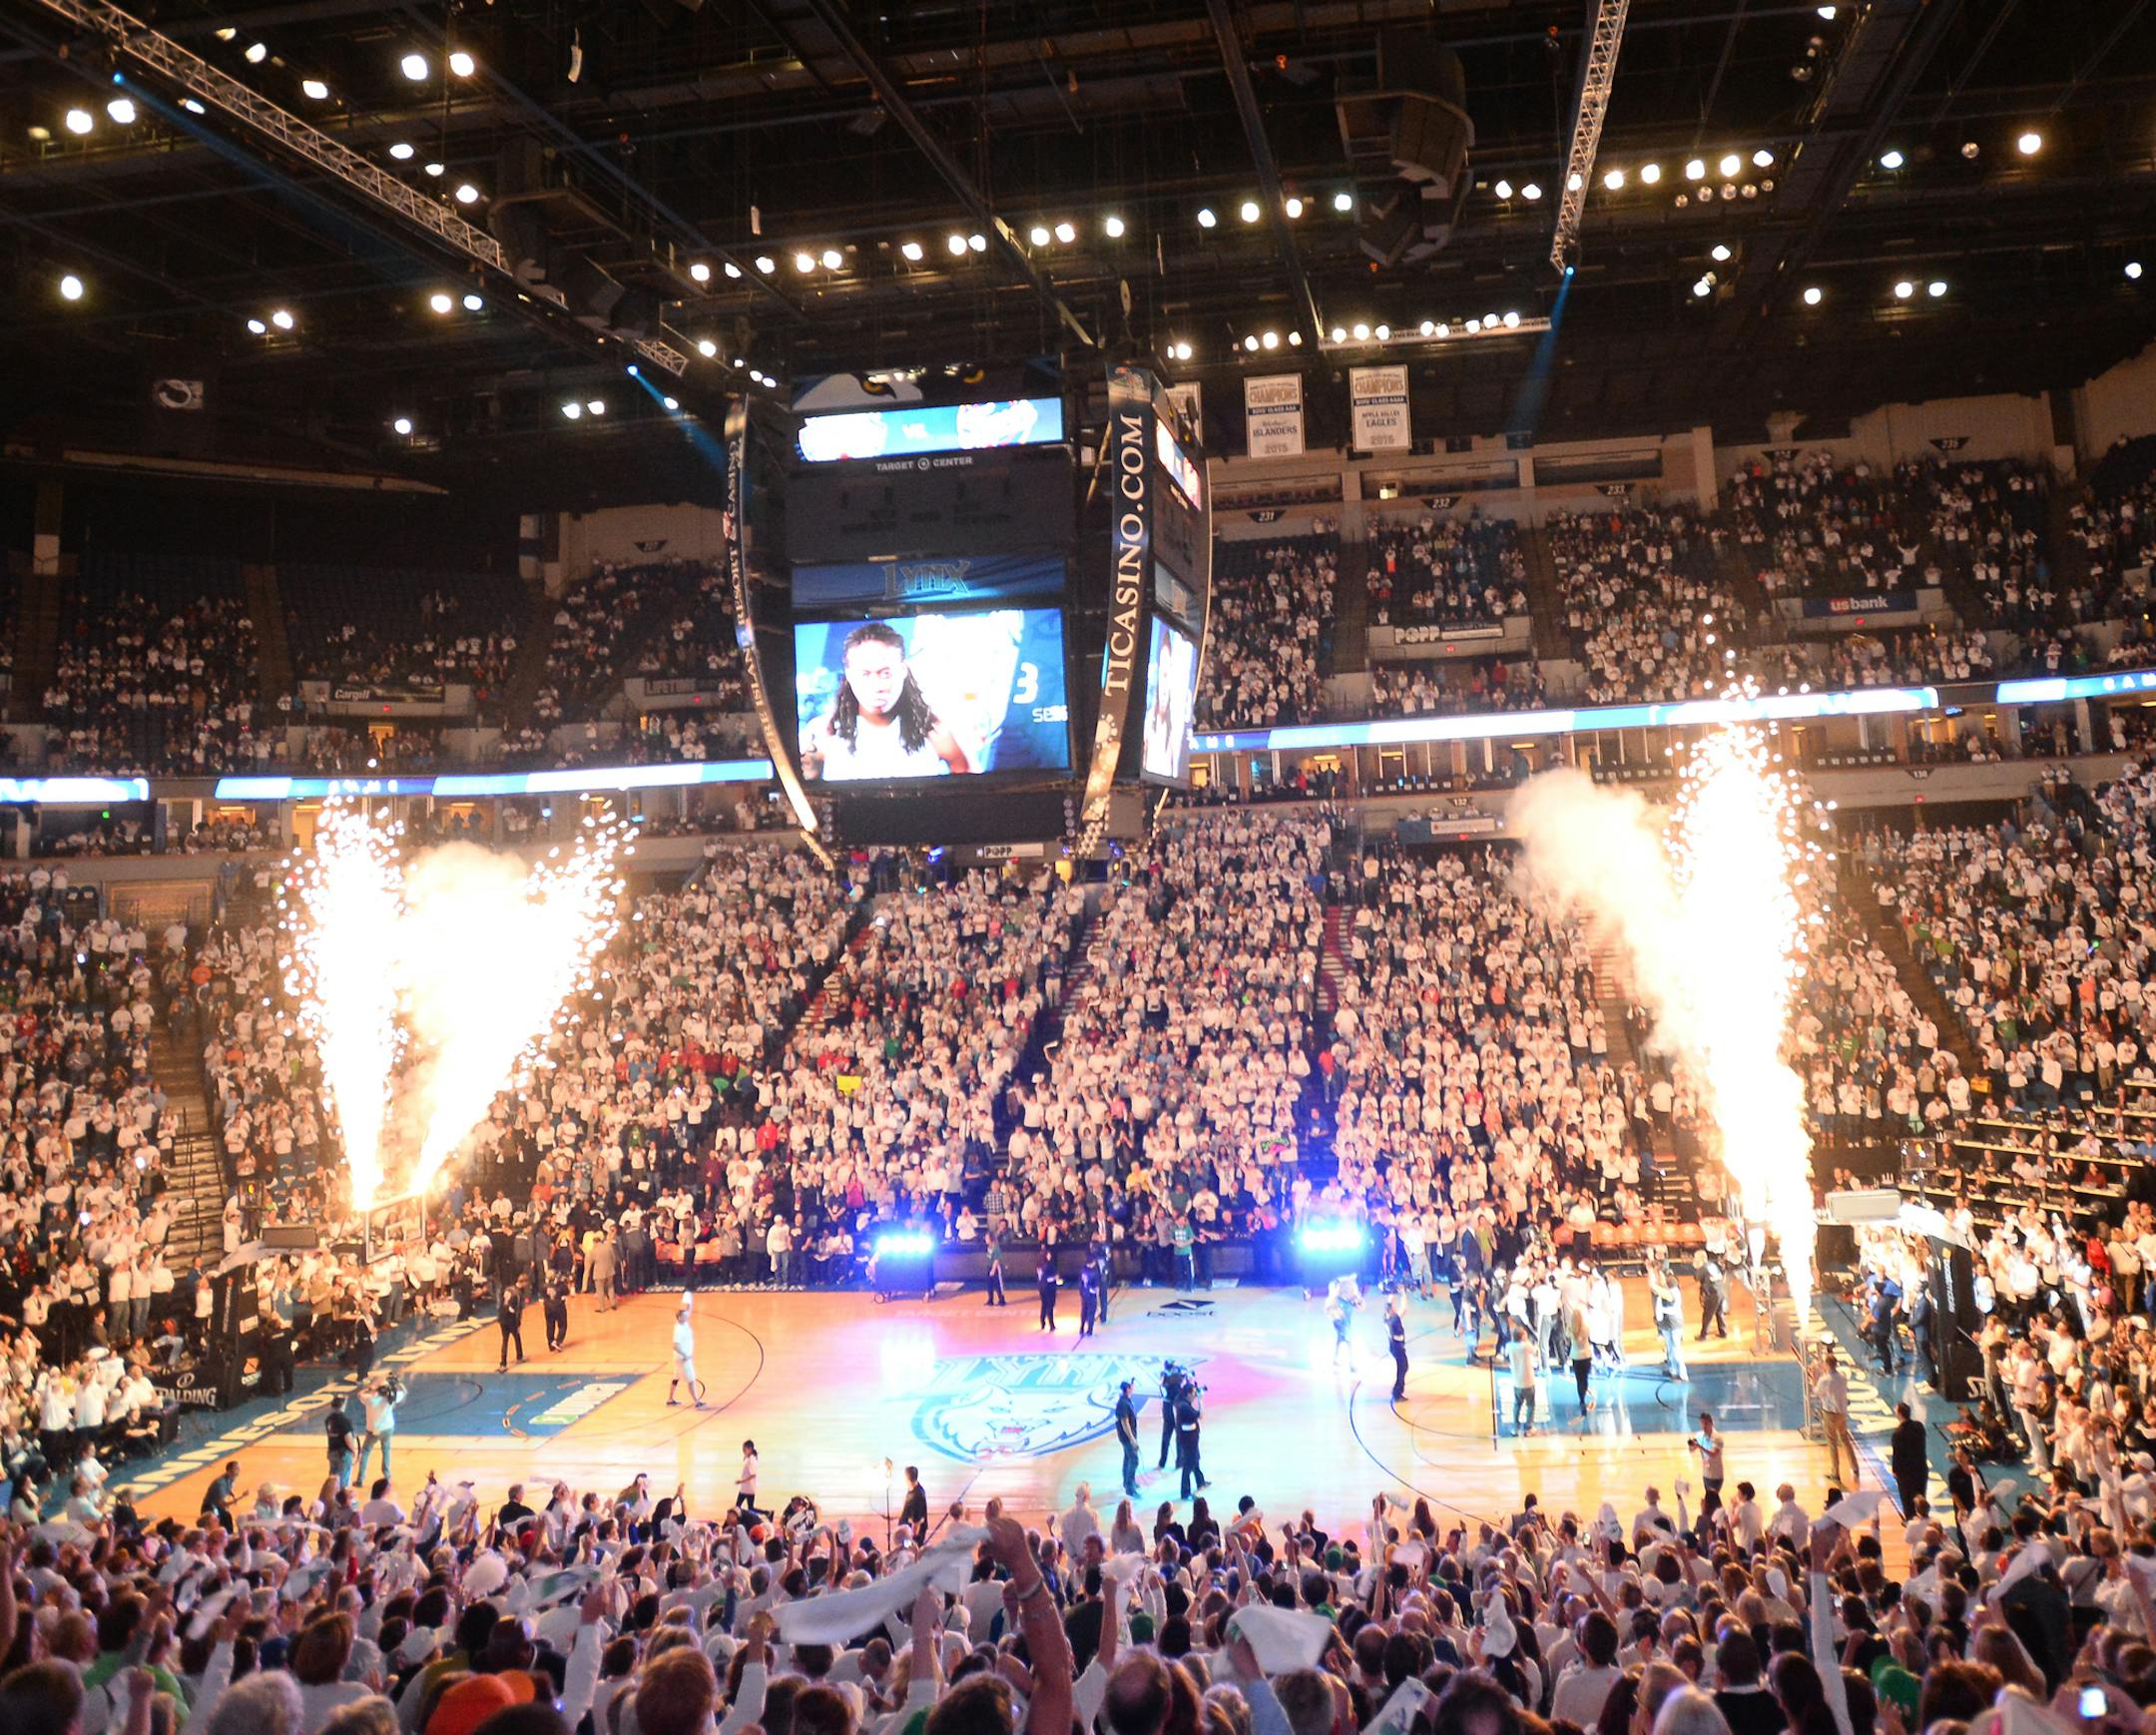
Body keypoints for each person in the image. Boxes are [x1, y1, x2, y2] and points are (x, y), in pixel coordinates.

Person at [801, 621, 979, 779]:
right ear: (849, 675)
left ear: (903, 671)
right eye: (865, 674)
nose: (877, 686)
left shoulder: (933, 729)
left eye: (885, 673)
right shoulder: (824, 732)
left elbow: (966, 777)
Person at [1814, 1345, 1858, 1487]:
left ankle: (1835, 1472)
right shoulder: (1843, 1377)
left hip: (1830, 1413)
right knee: (1845, 1439)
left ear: (1826, 1365)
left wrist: (1814, 1378)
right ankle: (1855, 1467)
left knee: (1832, 1443)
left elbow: (1817, 1392)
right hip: (1842, 1412)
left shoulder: (1825, 1380)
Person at [356, 1376, 400, 1486]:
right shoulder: (390, 1399)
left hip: (373, 1430)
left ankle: (360, 1479)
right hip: (388, 1428)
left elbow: (359, 1394)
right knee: (386, 1451)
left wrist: (370, 1389)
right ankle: (387, 1476)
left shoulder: (370, 1399)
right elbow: (403, 1391)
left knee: (366, 1452)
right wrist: (396, 1384)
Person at [1651, 1256, 1688, 1380]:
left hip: (1672, 1321)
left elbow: (1654, 1287)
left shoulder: (1669, 1293)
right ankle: (1673, 1370)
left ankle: (1682, 1373)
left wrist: (1652, 1271)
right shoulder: (1674, 1290)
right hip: (1670, 1321)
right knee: (1670, 1347)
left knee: (1675, 1348)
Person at [1889, 1400, 1929, 1517]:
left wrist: (1895, 1470)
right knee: (1921, 1497)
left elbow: (1897, 1455)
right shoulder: (1919, 1426)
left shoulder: (1898, 1434)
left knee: (1907, 1501)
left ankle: (1910, 1521)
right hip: (1921, 1469)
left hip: (1906, 1474)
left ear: (1899, 1414)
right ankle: (1922, 1519)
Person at [1688, 1411, 1726, 1513]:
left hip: (1716, 1475)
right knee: (1710, 1501)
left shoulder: (1717, 1438)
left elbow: (1713, 1454)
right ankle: (1713, 1519)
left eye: (1706, 1423)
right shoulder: (1700, 1435)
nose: (1703, 1426)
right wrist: (1692, 1445)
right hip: (1706, 1474)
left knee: (1712, 1501)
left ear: (1711, 1423)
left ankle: (1718, 1518)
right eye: (1702, 1423)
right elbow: (1691, 1450)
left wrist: (1699, 1446)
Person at [668, 1305, 706, 1407]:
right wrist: (685, 1355)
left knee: (676, 1377)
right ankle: (697, 1401)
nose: (686, 1317)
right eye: (684, 1316)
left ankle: (670, 1399)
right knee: (691, 1379)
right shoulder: (678, 1329)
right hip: (683, 1358)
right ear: (679, 1318)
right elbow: (675, 1345)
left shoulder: (684, 1325)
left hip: (680, 1358)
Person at [1175, 1379, 1206, 1498]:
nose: (1195, 1395)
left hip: (1190, 1437)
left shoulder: (1181, 1401)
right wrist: (1200, 1400)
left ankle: (1200, 1481)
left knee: (1195, 1459)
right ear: (1188, 1394)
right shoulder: (1184, 1407)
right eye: (1193, 1393)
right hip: (1188, 1439)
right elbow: (1201, 1415)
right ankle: (1185, 1492)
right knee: (1188, 1464)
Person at [1114, 1379, 1141, 1498]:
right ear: (1128, 1389)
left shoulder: (1126, 1401)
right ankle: (1129, 1487)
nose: (1133, 1387)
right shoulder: (1123, 1404)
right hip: (1126, 1437)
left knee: (1127, 1458)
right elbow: (1125, 1423)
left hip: (1128, 1436)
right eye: (1131, 1386)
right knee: (1134, 1460)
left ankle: (1128, 1482)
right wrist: (1132, 1439)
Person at [323, 1398, 355, 1489]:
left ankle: (331, 1497)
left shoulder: (328, 1419)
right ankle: (342, 1500)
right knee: (343, 1479)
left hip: (332, 1451)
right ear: (342, 1405)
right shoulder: (344, 1420)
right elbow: (348, 1437)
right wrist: (353, 1450)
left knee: (333, 1478)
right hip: (343, 1453)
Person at [497, 1280, 526, 1372]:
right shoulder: (518, 1294)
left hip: (502, 1318)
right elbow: (517, 1311)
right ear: (523, 1283)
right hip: (511, 1320)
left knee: (505, 1340)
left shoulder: (507, 1289)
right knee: (517, 1337)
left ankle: (503, 1363)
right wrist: (518, 1323)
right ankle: (519, 1356)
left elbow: (500, 1303)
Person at [1386, 1294, 1409, 1402]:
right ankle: (1397, 1392)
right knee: (1403, 1368)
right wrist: (1403, 1294)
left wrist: (1393, 1294)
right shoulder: (1394, 1318)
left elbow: (1389, 1303)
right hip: (1398, 1347)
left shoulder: (1386, 1317)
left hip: (1393, 1347)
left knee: (1403, 1367)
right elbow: (1404, 1309)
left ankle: (1397, 1391)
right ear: (1391, 1310)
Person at [737, 1440, 765, 1518]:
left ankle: (741, 1519)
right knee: (750, 1508)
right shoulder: (751, 1458)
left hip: (747, 1489)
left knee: (738, 1507)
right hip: (747, 1488)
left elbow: (753, 1475)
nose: (743, 1451)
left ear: (750, 1449)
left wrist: (741, 1481)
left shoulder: (751, 1460)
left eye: (744, 1450)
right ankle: (767, 1513)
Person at [542, 1272, 568, 1353]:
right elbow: (567, 1291)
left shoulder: (544, 1286)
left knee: (550, 1326)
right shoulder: (560, 1285)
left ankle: (550, 1344)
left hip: (548, 1308)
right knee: (563, 1325)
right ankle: (558, 1341)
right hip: (559, 1307)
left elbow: (543, 1295)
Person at [899, 1464, 928, 1533]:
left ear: (908, 1479)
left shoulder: (917, 1497)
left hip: (910, 1532)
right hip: (905, 1527)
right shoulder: (912, 1488)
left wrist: (912, 1539)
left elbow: (916, 1522)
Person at [1078, 1256, 1100, 1340]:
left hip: (1084, 1293)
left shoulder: (1082, 1270)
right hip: (1091, 1294)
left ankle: (1082, 1328)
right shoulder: (1094, 1272)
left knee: (1084, 1311)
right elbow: (1096, 1287)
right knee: (1091, 1312)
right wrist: (1098, 1299)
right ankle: (1089, 1330)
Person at [984, 1226, 1006, 1307]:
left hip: (996, 1268)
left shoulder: (996, 1248)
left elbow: (997, 1260)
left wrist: (993, 1270)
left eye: (987, 1238)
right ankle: (990, 1300)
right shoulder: (989, 1246)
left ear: (991, 1238)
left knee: (998, 1284)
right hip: (989, 1266)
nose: (985, 1239)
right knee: (989, 1284)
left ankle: (1001, 1300)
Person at [1037, 1252, 1059, 1331]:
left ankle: (1043, 1322)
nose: (1050, 1255)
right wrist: (1054, 1278)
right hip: (1049, 1288)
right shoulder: (1049, 1265)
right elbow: (1048, 1278)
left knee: (1044, 1305)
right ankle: (1051, 1324)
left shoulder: (1040, 1265)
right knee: (1050, 1306)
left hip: (1042, 1288)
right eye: (1049, 1254)